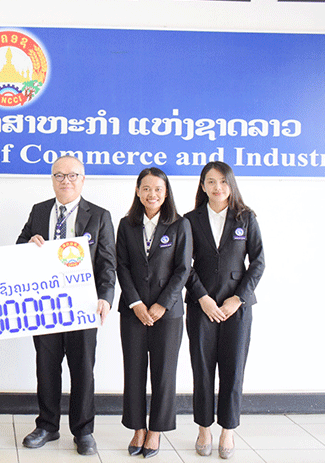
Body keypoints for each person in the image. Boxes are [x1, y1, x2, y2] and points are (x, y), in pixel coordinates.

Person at [16, 155, 116, 456]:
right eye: (59, 175)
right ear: (52, 179)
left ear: (82, 180)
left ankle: (83, 431)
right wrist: (28, 245)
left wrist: (105, 297)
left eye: (72, 175)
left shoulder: (99, 215)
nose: (65, 181)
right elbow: (18, 247)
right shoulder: (39, 211)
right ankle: (47, 425)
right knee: (46, 368)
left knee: (82, 369)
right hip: (44, 305)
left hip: (83, 306)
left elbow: (107, 263)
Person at [184, 161, 264, 459]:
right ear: (202, 185)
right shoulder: (190, 219)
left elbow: (258, 262)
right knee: (202, 369)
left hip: (236, 308)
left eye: (223, 181)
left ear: (231, 184)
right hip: (201, 305)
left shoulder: (246, 217)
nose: (217, 187)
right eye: (211, 181)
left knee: (233, 369)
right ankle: (204, 428)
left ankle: (228, 430)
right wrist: (203, 297)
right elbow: (184, 265)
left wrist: (238, 298)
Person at [116, 168, 192, 458]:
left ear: (166, 192)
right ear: (138, 191)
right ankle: (137, 428)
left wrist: (162, 304)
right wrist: (136, 303)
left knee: (164, 373)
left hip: (167, 314)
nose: (152, 194)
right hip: (133, 312)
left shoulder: (180, 224)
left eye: (158, 189)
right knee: (134, 371)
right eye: (146, 188)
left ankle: (156, 431)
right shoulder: (126, 225)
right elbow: (121, 266)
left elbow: (183, 269)